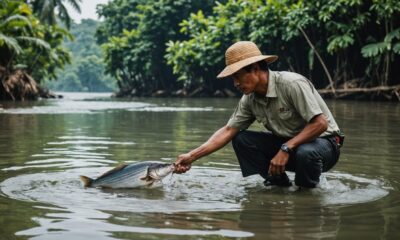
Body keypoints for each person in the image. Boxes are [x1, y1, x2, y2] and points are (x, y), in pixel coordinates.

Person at [174, 41, 343, 188]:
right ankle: (278, 185)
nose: (235, 84)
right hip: (289, 147)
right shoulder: (249, 99)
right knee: (242, 139)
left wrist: (285, 148)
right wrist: (192, 156)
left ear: (254, 69)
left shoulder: (291, 84)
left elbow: (320, 124)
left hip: (324, 145)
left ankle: (307, 196)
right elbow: (228, 131)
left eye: (237, 77)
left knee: (306, 153)